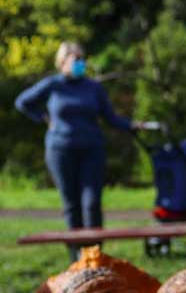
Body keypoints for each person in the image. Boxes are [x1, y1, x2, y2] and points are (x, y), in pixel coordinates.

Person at [15, 41, 148, 261]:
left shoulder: (93, 87)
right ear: (62, 62)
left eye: (82, 59)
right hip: (61, 151)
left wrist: (133, 125)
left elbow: (110, 117)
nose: (80, 63)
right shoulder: (53, 85)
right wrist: (43, 118)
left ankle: (94, 256)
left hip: (91, 149)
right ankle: (75, 258)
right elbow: (22, 102)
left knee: (92, 203)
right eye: (75, 59)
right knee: (71, 204)